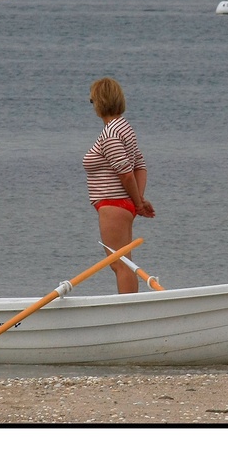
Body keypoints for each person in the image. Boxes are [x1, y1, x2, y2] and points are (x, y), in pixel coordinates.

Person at [83, 77, 155, 294]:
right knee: (125, 263)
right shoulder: (124, 128)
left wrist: (137, 203)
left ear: (100, 102)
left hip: (113, 205)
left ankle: (129, 312)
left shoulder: (111, 134)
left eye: (92, 100)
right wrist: (138, 201)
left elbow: (125, 173)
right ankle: (132, 309)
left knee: (119, 264)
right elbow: (139, 166)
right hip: (121, 205)